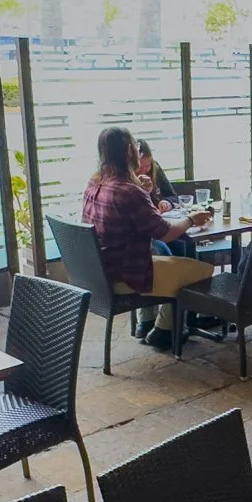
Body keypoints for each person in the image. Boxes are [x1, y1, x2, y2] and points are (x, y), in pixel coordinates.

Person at [82, 127, 213, 349]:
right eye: (136, 146)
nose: (138, 150)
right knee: (201, 270)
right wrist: (192, 219)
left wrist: (139, 187)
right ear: (128, 151)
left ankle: (148, 321)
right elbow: (165, 232)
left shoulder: (94, 182)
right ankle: (165, 329)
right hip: (127, 273)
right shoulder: (128, 192)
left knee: (168, 257)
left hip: (101, 271)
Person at [134, 139, 179, 209]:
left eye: (147, 166)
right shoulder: (125, 178)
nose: (143, 171)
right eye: (139, 167)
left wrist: (167, 202)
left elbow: (173, 196)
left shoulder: (156, 169)